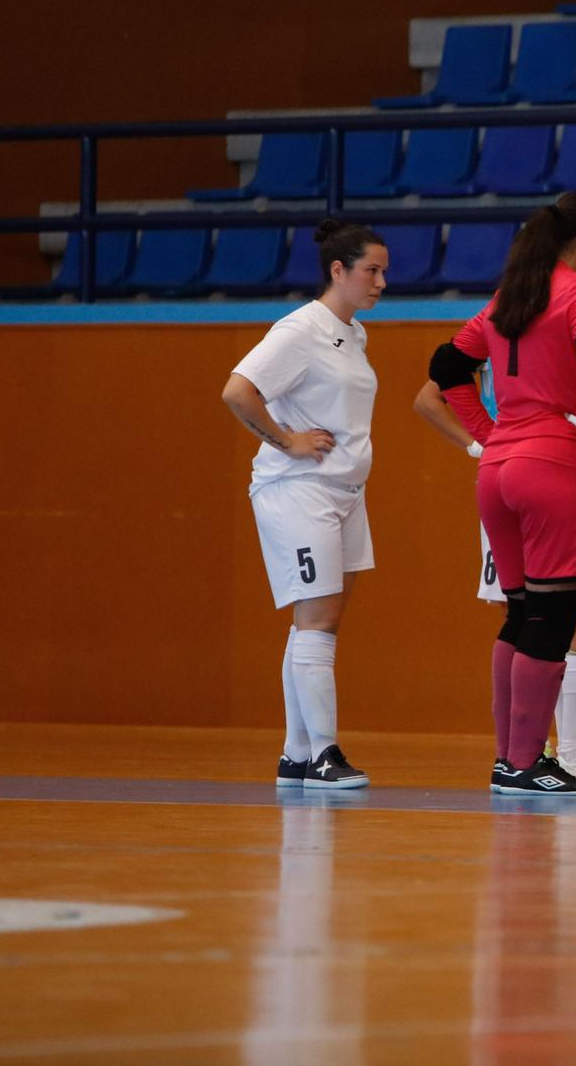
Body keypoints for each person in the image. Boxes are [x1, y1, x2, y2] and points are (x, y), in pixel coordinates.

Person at [413, 221, 576, 788]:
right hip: (557, 470)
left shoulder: (517, 301)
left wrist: (491, 438)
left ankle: (531, 756)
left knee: (537, 617)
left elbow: (445, 367)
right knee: (568, 620)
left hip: (511, 467)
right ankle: (554, 755)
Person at [223, 220, 388, 791]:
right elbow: (237, 390)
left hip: (344, 493)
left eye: (383, 271)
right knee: (317, 621)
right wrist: (286, 440)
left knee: (318, 621)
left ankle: (296, 752)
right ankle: (324, 753)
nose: (381, 282)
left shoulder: (354, 333)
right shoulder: (300, 330)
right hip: (299, 491)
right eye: (371, 270)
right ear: (337, 271)